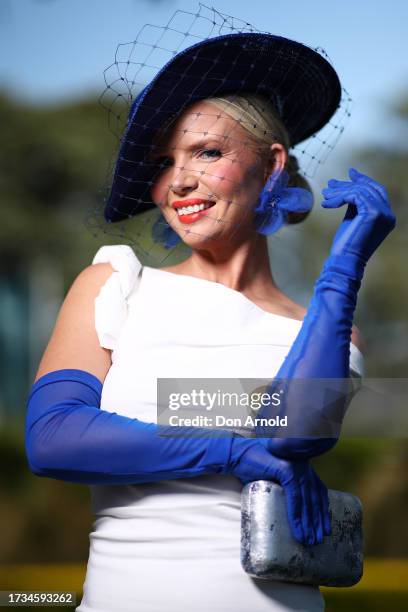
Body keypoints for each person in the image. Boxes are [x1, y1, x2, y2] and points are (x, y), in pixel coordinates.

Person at [25, 24, 395, 612]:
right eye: (164, 162)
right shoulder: (118, 284)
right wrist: (231, 450)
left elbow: (297, 431)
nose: (180, 181)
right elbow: (53, 439)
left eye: (208, 152)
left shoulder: (329, 329)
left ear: (272, 165)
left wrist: (342, 270)